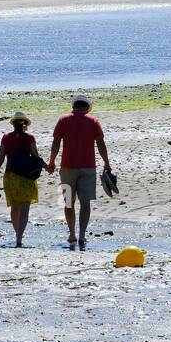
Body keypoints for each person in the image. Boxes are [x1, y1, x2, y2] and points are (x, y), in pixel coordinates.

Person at [46, 94, 111, 250]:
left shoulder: (63, 120)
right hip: (88, 168)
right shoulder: (93, 121)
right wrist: (106, 163)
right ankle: (82, 235)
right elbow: (100, 143)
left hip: (67, 168)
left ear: (73, 106)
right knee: (85, 203)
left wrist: (52, 161)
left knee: (68, 202)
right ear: (87, 107)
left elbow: (56, 143)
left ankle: (72, 234)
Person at [0, 112, 43, 247]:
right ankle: (19, 238)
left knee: (14, 208)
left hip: (11, 176)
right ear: (25, 125)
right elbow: (36, 157)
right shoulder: (30, 138)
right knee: (25, 209)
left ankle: (18, 235)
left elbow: (0, 158)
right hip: (26, 177)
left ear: (13, 124)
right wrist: (47, 167)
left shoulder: (6, 138)